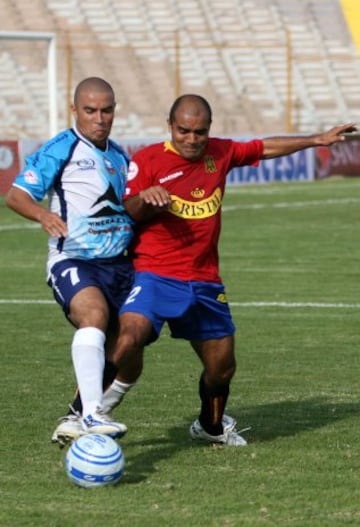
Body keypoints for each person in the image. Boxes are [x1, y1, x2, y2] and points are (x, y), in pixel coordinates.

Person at [102, 94, 357, 447]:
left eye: (200, 132)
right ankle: (88, 413)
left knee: (222, 366)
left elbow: (263, 148)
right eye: (184, 131)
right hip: (155, 273)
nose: (192, 139)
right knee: (129, 336)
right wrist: (146, 199)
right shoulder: (147, 159)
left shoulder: (220, 153)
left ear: (209, 129)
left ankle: (210, 425)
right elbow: (128, 210)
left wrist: (316, 139)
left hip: (205, 280)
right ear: (170, 126)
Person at [5, 77, 135, 446]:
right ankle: (92, 413)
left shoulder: (119, 155)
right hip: (73, 258)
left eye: (106, 110)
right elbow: (16, 196)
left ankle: (80, 416)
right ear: (75, 110)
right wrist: (42, 216)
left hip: (119, 265)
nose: (99, 118)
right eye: (91, 110)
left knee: (131, 349)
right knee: (93, 316)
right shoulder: (60, 149)